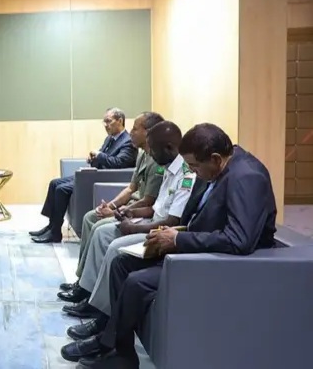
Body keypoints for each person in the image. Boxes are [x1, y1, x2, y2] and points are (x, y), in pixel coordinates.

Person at [74, 123, 277, 368]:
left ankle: (111, 347)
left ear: (215, 159)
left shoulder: (246, 177)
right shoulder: (217, 168)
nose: (191, 171)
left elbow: (239, 240)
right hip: (194, 248)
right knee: (121, 263)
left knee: (136, 282)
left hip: (218, 263)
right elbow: (196, 217)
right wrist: (171, 235)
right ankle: (121, 351)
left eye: (194, 166)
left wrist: (178, 239)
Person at [58, 112, 165, 298]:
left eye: (135, 129)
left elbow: (148, 201)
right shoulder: (143, 155)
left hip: (141, 211)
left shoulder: (158, 162)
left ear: (148, 132)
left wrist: (117, 212)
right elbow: (131, 188)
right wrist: (111, 205)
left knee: (99, 228)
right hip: (132, 206)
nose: (131, 132)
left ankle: (88, 289)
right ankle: (82, 279)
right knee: (90, 217)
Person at [31, 107, 137, 244]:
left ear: (120, 121)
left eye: (108, 121)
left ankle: (55, 232)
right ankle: (51, 225)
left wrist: (99, 155)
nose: (106, 125)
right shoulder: (110, 139)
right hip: (94, 174)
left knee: (61, 189)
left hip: (103, 178)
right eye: (104, 122)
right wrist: (93, 158)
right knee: (54, 183)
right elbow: (103, 157)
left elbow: (119, 162)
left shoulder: (127, 142)